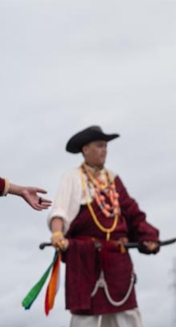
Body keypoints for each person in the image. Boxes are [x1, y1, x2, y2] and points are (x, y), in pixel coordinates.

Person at [48, 126, 161, 327]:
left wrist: (149, 237)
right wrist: (57, 234)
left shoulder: (113, 179)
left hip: (117, 259)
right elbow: (59, 212)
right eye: (100, 146)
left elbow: (133, 214)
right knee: (85, 318)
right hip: (85, 260)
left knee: (127, 314)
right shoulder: (72, 178)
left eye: (106, 146)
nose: (104, 150)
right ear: (85, 149)